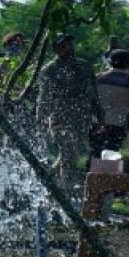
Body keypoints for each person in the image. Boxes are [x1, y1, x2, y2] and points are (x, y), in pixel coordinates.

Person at [34, 33, 98, 193]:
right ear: (55, 49)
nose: (68, 48)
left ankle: (47, 178)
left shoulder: (84, 66)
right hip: (60, 116)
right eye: (63, 45)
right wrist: (40, 117)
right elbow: (44, 96)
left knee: (73, 153)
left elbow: (93, 92)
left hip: (82, 116)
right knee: (68, 150)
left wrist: (99, 113)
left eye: (70, 44)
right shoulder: (50, 69)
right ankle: (66, 189)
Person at [92, 49, 129, 157]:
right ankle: (107, 174)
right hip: (117, 124)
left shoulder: (98, 78)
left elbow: (92, 98)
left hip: (97, 122)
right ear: (127, 63)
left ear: (110, 62)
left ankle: (90, 173)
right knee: (111, 156)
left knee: (96, 153)